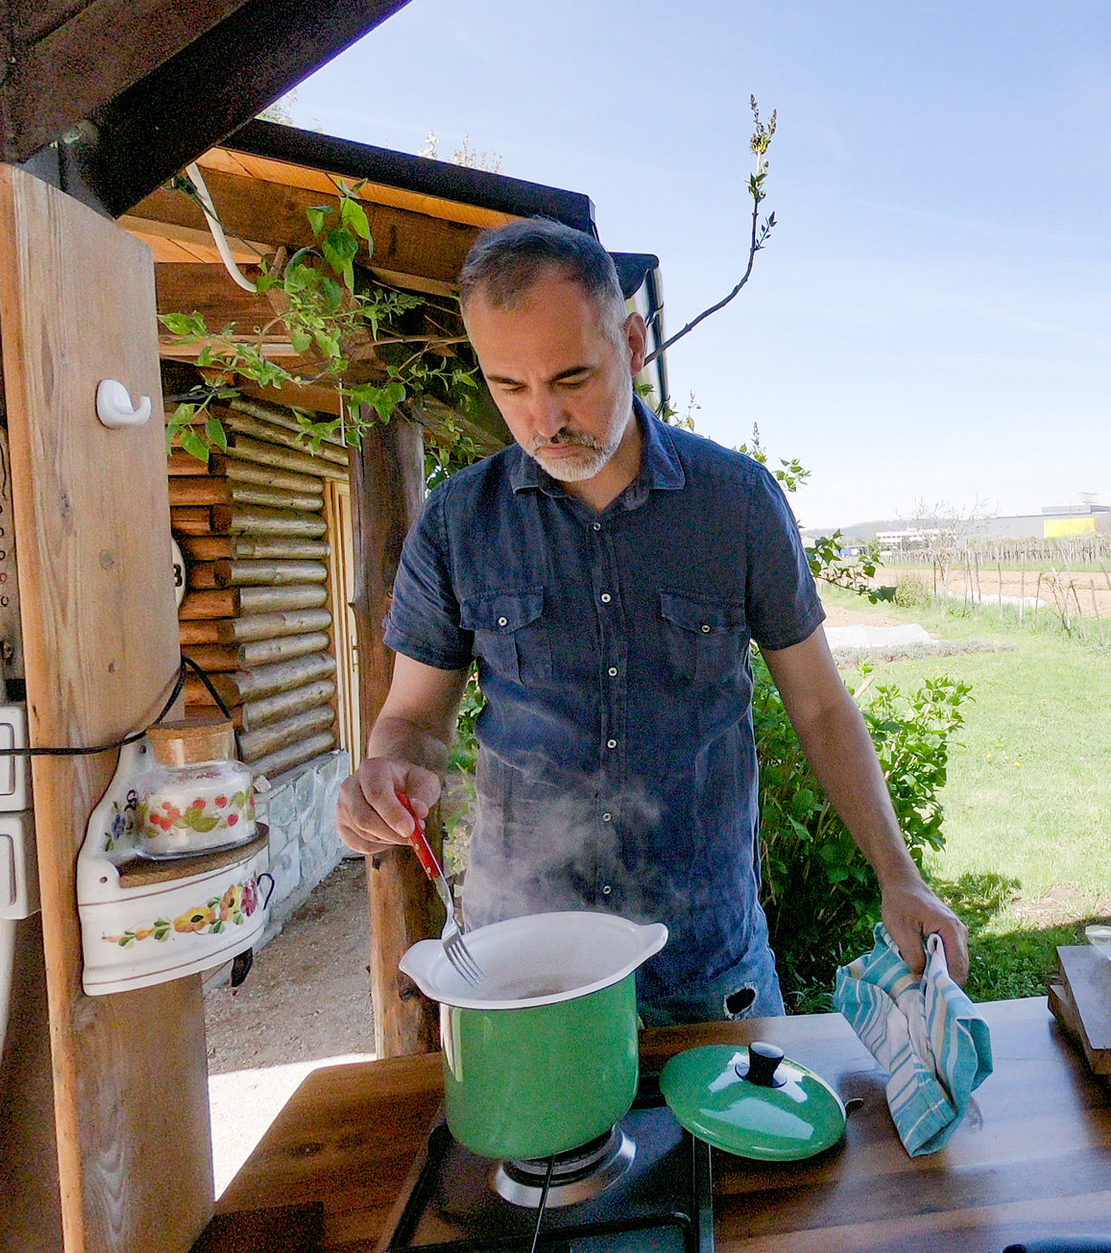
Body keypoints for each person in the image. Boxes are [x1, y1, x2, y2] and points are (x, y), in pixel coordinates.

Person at [335, 218, 969, 1025]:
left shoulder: (737, 504)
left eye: (572, 377)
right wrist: (387, 771)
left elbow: (820, 707)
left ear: (633, 343)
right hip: (525, 965)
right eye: (510, 387)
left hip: (706, 965)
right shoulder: (459, 521)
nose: (544, 419)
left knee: (741, 1155)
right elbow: (414, 718)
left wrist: (899, 876)